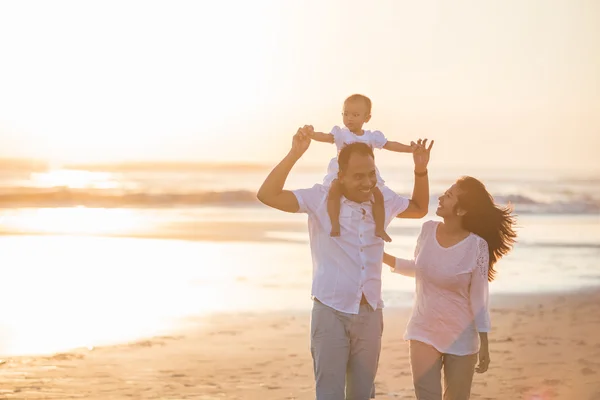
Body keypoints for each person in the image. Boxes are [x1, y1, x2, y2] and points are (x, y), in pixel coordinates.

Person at [257, 126, 433, 400]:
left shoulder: (383, 199)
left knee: (363, 394)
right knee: (329, 393)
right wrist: (294, 154)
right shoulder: (319, 198)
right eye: (358, 176)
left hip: (370, 313)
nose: (367, 182)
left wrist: (420, 170)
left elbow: (420, 208)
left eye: (371, 174)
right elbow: (267, 195)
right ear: (340, 175)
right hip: (330, 311)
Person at [383, 176, 517, 400]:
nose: (441, 197)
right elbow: (421, 269)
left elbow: (479, 297)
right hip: (423, 330)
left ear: (462, 210)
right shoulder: (427, 230)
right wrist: (382, 256)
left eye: (449, 195)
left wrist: (484, 342)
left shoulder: (476, 246)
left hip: (461, 338)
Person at [306, 94, 415, 242]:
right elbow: (326, 137)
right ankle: (335, 224)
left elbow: (390, 145)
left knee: (378, 196)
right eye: (346, 114)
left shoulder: (371, 137)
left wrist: (410, 149)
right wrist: (311, 134)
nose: (349, 118)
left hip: (364, 175)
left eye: (355, 115)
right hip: (342, 173)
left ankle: (380, 228)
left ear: (367, 118)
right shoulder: (341, 134)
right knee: (334, 191)